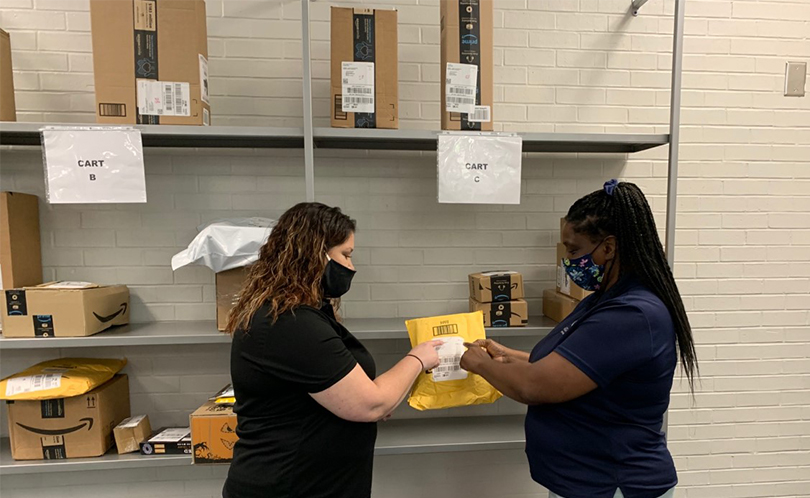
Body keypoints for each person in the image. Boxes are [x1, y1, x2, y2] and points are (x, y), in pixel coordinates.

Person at [461, 180, 697, 498]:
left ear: (609, 247)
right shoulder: (601, 300)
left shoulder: (633, 314)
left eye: (574, 250)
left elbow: (535, 386)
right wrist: (506, 355)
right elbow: (568, 366)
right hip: (584, 481)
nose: (568, 260)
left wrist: (478, 364)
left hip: (612, 484)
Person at [223, 203, 442, 498]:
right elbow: (371, 405)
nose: (350, 267)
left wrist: (370, 395)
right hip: (289, 486)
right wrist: (418, 358)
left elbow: (329, 390)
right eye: (346, 255)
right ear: (315, 253)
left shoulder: (302, 313)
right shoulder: (290, 323)